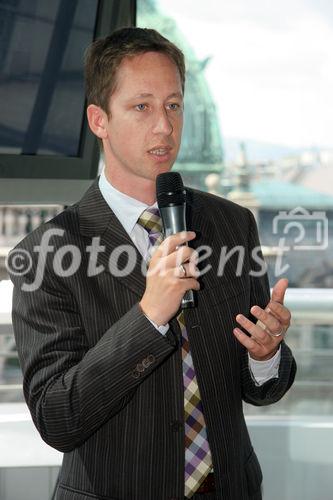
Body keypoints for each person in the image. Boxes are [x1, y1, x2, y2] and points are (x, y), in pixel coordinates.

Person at [9, 27, 296, 500]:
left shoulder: (232, 225)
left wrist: (264, 356)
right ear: (99, 120)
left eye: (173, 105)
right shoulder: (45, 253)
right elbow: (57, 417)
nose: (164, 126)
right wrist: (149, 316)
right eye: (142, 107)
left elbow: (260, 389)